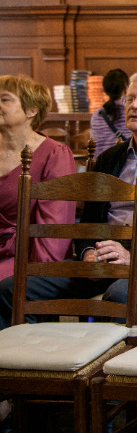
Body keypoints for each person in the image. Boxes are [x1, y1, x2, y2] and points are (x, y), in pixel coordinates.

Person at [0, 71, 137, 330]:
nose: (134, 106)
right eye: (129, 99)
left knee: (120, 294)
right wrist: (88, 251)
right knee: (12, 287)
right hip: (104, 257)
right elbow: (89, 221)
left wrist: (133, 253)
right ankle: (33, 353)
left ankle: (117, 357)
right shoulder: (109, 158)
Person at [0, 75, 76, 282]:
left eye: (5, 99)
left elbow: (55, 228)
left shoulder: (54, 154)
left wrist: (37, 274)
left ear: (32, 110)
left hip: (26, 257)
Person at [90, 68, 132, 156]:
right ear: (126, 89)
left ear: (105, 90)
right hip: (123, 163)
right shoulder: (132, 113)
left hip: (100, 162)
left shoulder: (97, 115)